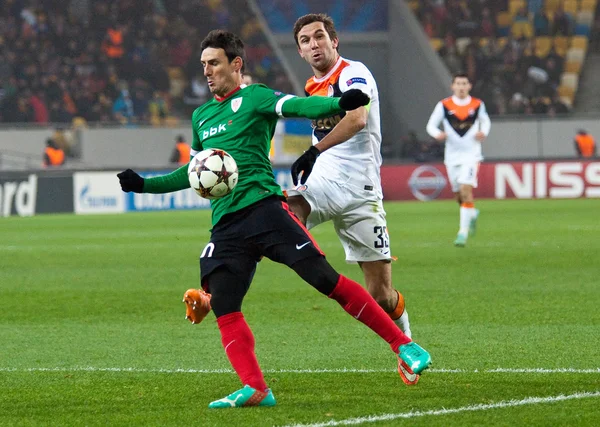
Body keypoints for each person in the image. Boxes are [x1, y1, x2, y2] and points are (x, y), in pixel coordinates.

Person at [117, 30, 431, 409]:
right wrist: (144, 185)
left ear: (236, 64)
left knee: (324, 280)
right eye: (203, 65)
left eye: (214, 63)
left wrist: (339, 101)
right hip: (226, 225)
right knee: (226, 304)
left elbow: (299, 107)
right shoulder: (201, 116)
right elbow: (194, 171)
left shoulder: (256, 97)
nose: (207, 72)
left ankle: (404, 345)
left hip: (266, 209)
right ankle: (255, 388)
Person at [286, 14, 413, 339]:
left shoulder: (354, 73)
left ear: (334, 41)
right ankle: (216, 292)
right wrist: (316, 158)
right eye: (305, 41)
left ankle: (406, 342)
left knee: (381, 296)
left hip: (362, 189)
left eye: (319, 37)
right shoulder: (311, 88)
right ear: (300, 51)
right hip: (324, 182)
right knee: (285, 211)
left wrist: (314, 150)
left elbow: (357, 118)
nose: (313, 44)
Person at [426, 72, 491, 247]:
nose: (461, 87)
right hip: (452, 156)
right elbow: (430, 125)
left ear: (469, 86)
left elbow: (485, 121)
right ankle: (472, 213)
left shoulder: (478, 105)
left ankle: (462, 233)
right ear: (453, 86)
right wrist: (437, 134)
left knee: (465, 189)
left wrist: (483, 132)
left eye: (464, 84)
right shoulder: (444, 105)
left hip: (471, 155)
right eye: (458, 84)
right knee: (458, 196)